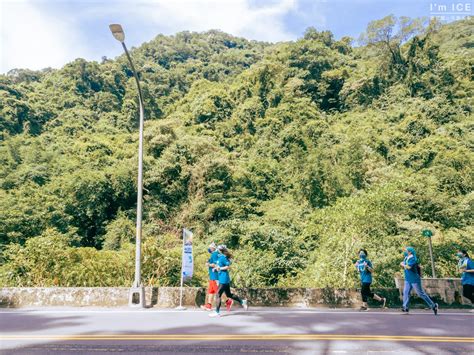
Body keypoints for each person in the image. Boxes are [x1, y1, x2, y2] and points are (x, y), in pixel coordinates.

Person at [209, 245, 248, 317]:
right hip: (223, 278)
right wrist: (216, 268)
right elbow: (219, 266)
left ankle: (217, 312)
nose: (216, 250)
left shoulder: (223, 257)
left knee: (218, 294)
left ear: (220, 250)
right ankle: (242, 301)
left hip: (223, 279)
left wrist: (220, 268)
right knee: (229, 294)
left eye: (217, 249)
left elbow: (227, 267)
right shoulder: (220, 257)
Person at [400, 246, 438, 315]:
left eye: (406, 250)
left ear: (410, 252)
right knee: (405, 292)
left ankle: (433, 305)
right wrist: (403, 264)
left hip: (414, 279)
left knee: (420, 294)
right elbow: (404, 263)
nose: (405, 251)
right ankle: (405, 307)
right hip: (407, 278)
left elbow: (408, 267)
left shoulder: (413, 259)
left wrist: (403, 264)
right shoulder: (406, 257)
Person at [200, 242, 219, 311]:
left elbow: (215, 265)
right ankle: (208, 305)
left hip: (214, 276)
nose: (209, 249)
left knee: (218, 292)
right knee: (211, 291)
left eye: (210, 248)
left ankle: (227, 301)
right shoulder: (214, 254)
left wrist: (208, 264)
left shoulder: (214, 254)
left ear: (212, 248)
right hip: (212, 276)